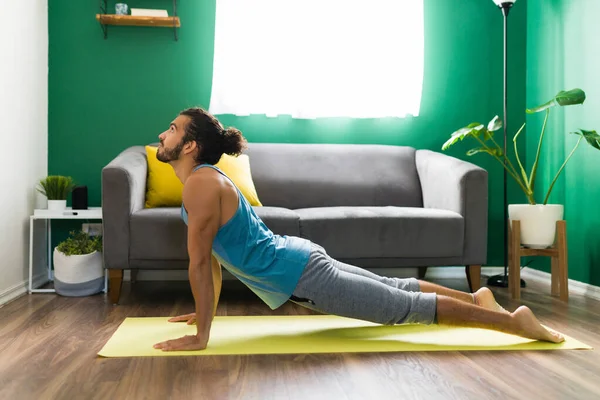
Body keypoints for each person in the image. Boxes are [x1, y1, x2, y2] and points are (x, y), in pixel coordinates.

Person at [152, 107, 564, 352]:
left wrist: (202, 336)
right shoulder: (203, 181)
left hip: (300, 273)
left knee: (403, 309)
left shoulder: (201, 185)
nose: (162, 133)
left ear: (190, 146)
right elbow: (216, 262)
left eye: (172, 129)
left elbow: (201, 261)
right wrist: (203, 314)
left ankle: (515, 323)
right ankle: (478, 297)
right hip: (300, 260)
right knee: (397, 288)